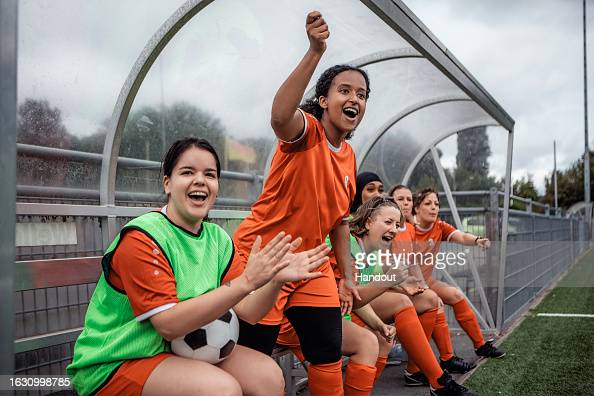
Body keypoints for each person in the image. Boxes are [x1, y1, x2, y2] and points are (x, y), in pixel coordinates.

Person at [66, 138, 329, 396]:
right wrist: (246, 281)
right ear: (167, 183)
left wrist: (275, 281)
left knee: (268, 375)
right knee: (222, 390)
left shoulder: (217, 238)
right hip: (117, 360)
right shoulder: (144, 237)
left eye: (210, 174)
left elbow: (249, 312)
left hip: (172, 351)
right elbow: (168, 325)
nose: (200, 180)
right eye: (187, 172)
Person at [232, 11, 370, 395]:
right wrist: (315, 51)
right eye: (345, 90)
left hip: (310, 262)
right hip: (263, 257)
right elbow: (279, 116)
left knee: (327, 351)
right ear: (324, 100)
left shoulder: (351, 156)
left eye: (361, 94)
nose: (354, 98)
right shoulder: (305, 133)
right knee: (254, 363)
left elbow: (340, 222)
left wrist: (347, 278)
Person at [390, 184, 476, 381]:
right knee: (432, 300)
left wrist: (421, 284)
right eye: (400, 199)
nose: (405, 203)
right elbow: (383, 264)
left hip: (404, 284)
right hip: (386, 286)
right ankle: (419, 367)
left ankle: (435, 362)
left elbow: (411, 262)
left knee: (436, 299)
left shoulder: (410, 228)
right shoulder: (388, 227)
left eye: (408, 199)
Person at [412, 188, 505, 360]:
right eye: (428, 203)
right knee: (435, 303)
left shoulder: (438, 226)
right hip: (408, 284)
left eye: (437, 204)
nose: (434, 208)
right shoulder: (407, 229)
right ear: (416, 208)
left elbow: (461, 237)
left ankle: (481, 345)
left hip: (425, 281)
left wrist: (477, 240)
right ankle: (435, 361)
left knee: (455, 294)